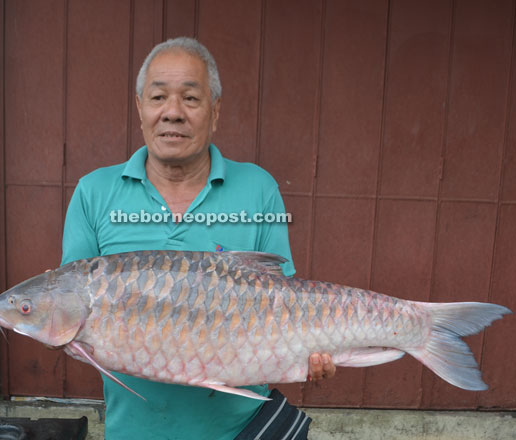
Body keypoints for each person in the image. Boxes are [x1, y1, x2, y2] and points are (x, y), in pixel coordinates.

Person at [61, 37, 335, 440]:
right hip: (134, 431)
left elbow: (284, 300)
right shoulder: (94, 192)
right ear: (140, 108)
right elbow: (71, 304)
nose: (173, 113)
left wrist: (309, 351)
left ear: (215, 110)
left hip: (244, 430)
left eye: (190, 98)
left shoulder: (258, 188)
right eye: (158, 97)